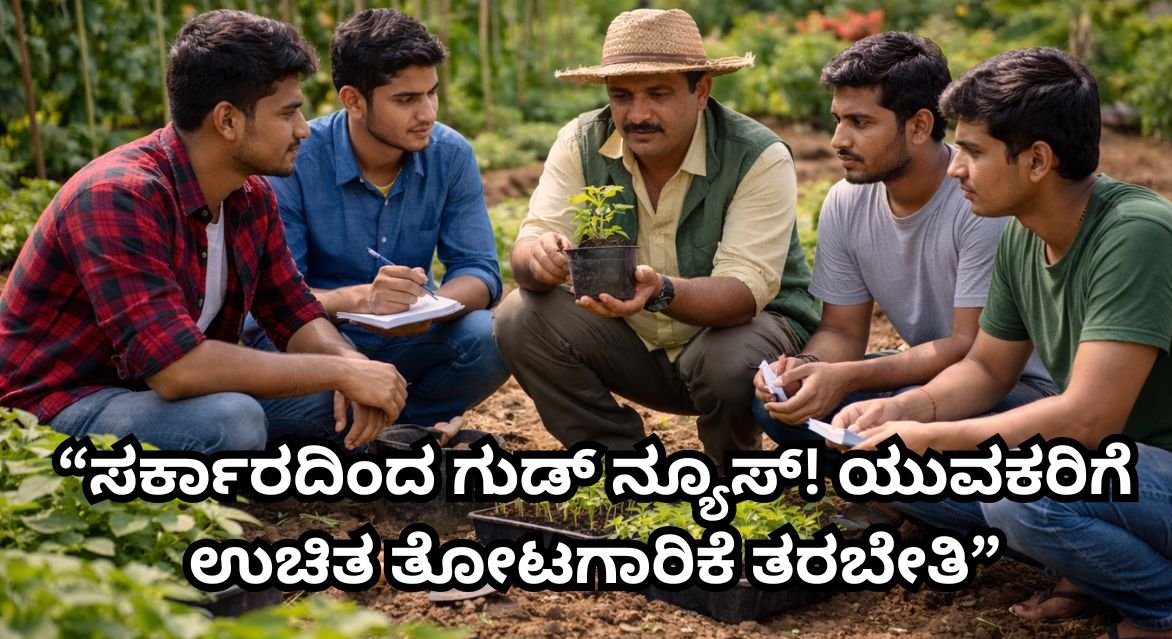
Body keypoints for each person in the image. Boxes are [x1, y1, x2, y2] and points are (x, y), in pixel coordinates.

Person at [834, 48, 1172, 639]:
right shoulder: (1025, 236)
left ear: (1036, 161)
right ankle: (1090, 565)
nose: (955, 170)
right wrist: (902, 411)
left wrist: (928, 439)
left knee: (1017, 491)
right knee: (891, 471)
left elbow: (1087, 419)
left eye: (973, 152)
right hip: (1122, 479)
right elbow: (984, 367)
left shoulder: (1138, 235)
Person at [0, 10, 408, 454]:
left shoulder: (249, 196)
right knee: (231, 421)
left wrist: (351, 365)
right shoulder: (118, 196)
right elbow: (177, 370)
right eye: (288, 112)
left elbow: (295, 314)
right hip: (55, 405)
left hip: (152, 396)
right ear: (227, 121)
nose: (302, 129)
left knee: (331, 403)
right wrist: (342, 374)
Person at [493, 8, 821, 463]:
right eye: (621, 96)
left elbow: (744, 293)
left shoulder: (757, 155)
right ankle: (620, 463)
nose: (637, 114)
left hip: (739, 339)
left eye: (659, 93)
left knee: (729, 356)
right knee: (518, 316)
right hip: (632, 342)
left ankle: (734, 471)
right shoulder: (582, 141)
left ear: (701, 90)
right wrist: (540, 258)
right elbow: (530, 243)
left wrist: (659, 290)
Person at [751, 32, 1056, 447]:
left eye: (860, 123)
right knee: (786, 406)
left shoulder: (981, 201)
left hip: (1013, 390)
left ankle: (902, 490)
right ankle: (905, 489)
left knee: (892, 421)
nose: (838, 140)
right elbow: (842, 331)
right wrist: (805, 368)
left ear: (919, 125)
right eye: (838, 120)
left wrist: (851, 377)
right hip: (925, 379)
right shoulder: (846, 201)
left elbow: (970, 348)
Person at [241, 9, 508, 427]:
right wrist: (361, 301)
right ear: (353, 100)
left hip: (414, 341)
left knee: (493, 337)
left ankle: (390, 429)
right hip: (315, 343)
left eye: (431, 93)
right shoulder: (294, 160)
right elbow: (272, 305)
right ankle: (392, 432)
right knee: (292, 408)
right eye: (406, 99)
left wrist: (428, 309)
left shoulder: (451, 155)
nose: (428, 114)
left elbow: (479, 269)